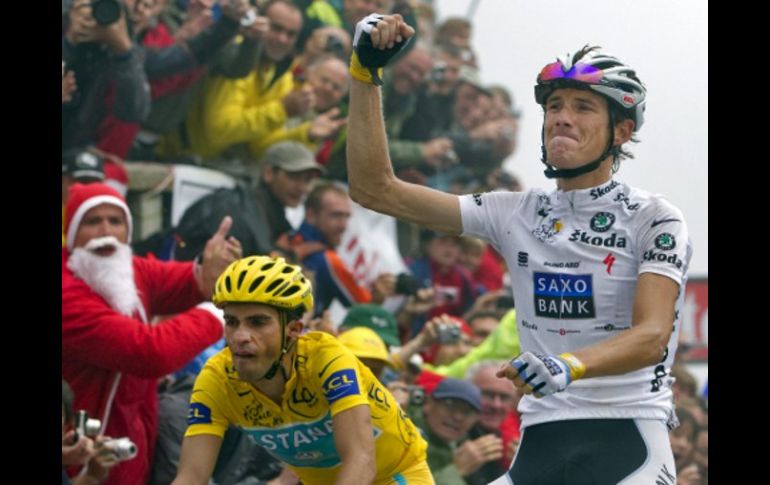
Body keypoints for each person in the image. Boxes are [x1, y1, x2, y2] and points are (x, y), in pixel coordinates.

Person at [345, 14, 692, 484]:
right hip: (539, 444)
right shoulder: (514, 212)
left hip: (628, 440)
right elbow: (374, 189)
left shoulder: (654, 217)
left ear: (622, 131)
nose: (562, 117)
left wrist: (567, 365)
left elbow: (652, 336)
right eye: (555, 105)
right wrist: (365, 74)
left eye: (583, 107)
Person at [172, 255, 433, 484]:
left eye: (257, 322)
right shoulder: (217, 378)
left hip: (394, 474)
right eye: (232, 322)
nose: (240, 336)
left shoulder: (326, 359)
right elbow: (191, 478)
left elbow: (361, 460)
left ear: (294, 330)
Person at [62, 182, 241, 485]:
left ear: (128, 230)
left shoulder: (128, 268)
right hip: (81, 459)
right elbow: (151, 352)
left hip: (132, 444)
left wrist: (214, 269)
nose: (106, 231)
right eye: (93, 221)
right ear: (72, 232)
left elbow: (184, 281)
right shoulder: (67, 295)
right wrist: (222, 310)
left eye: (115, 221)